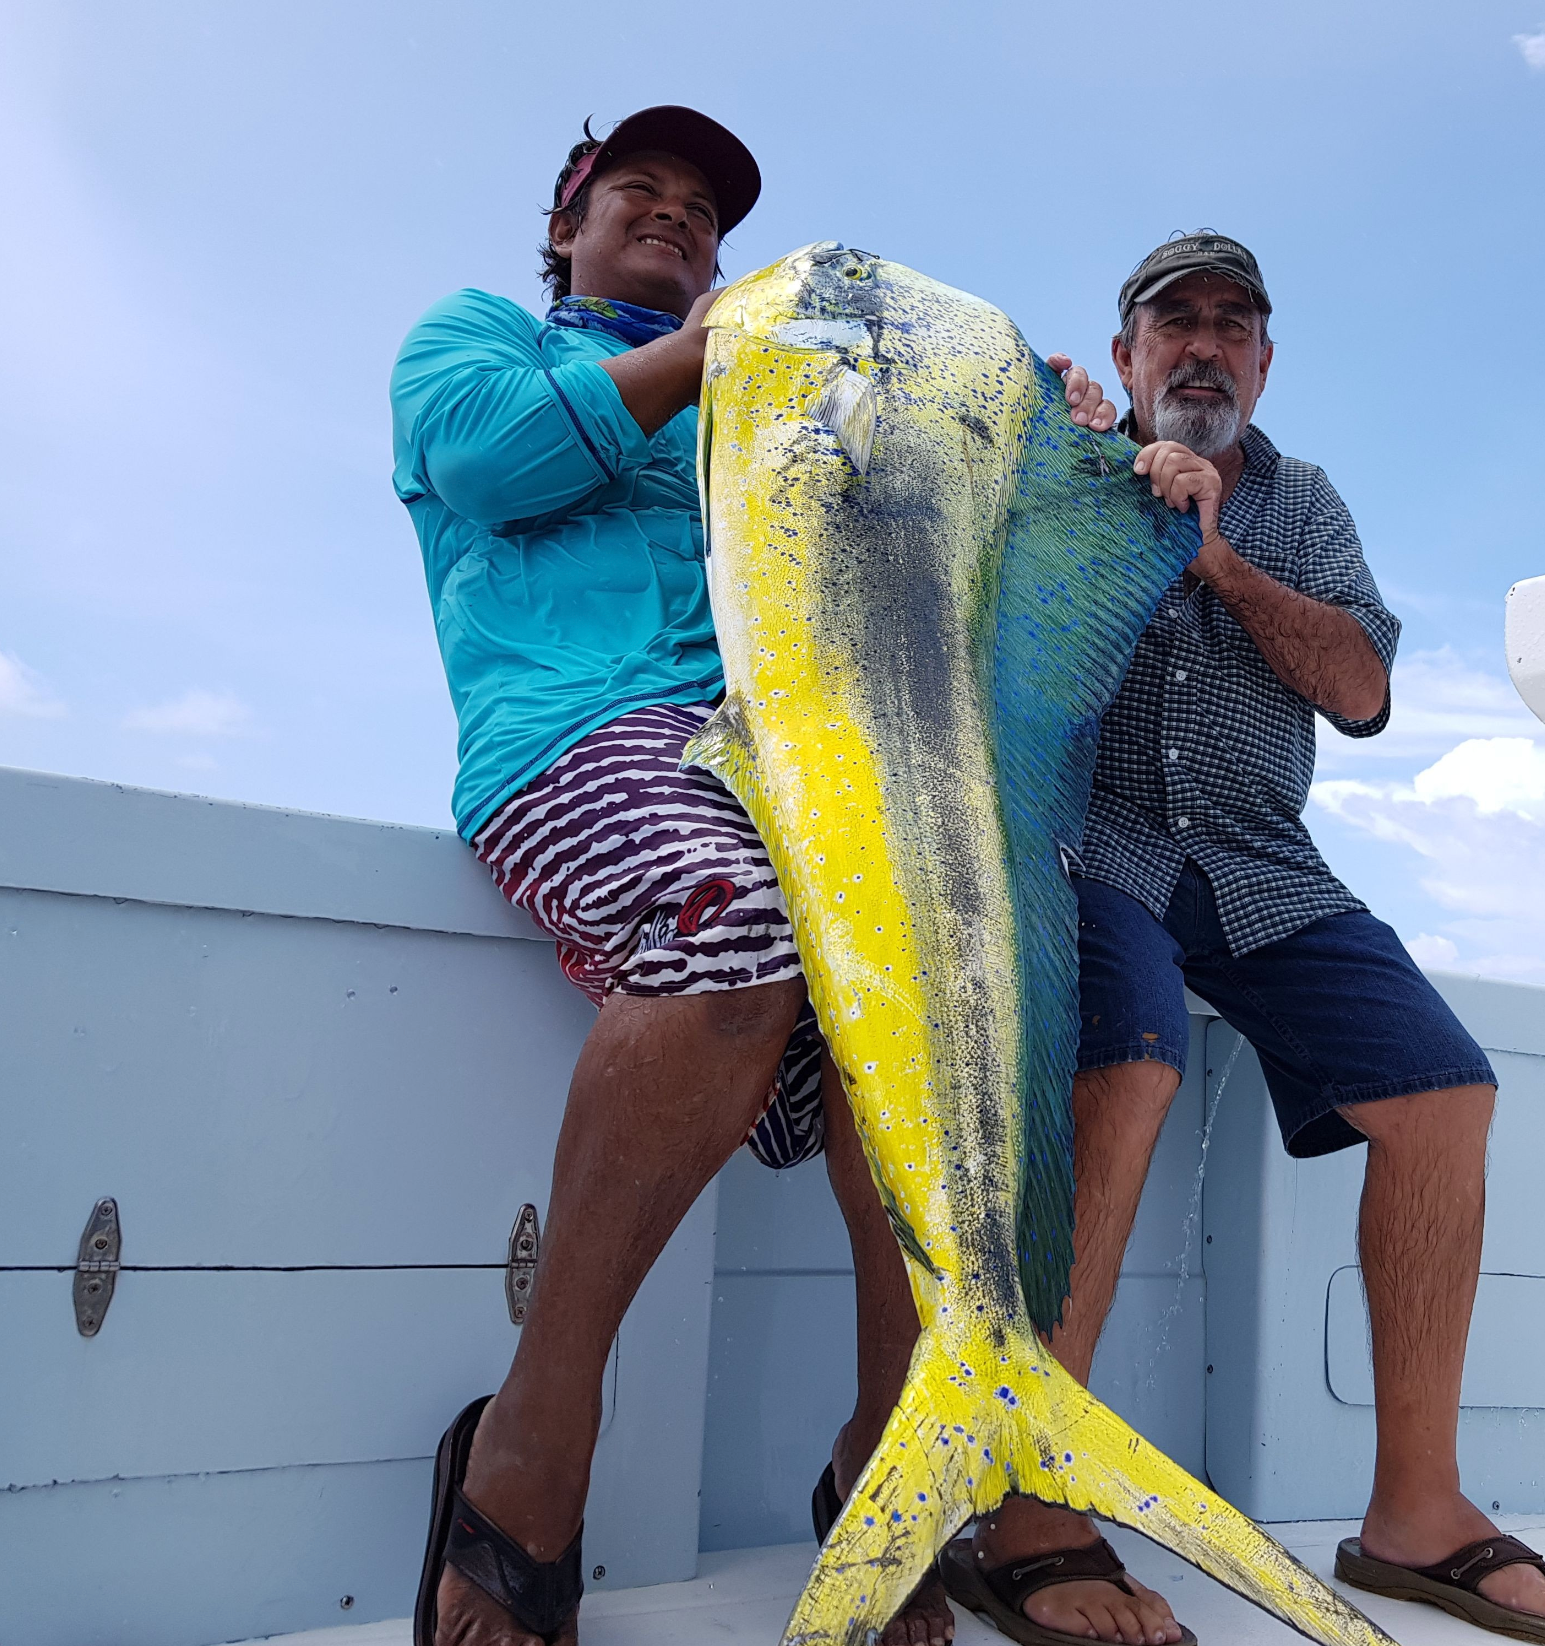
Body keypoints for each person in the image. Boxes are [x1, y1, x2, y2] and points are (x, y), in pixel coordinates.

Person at [392, 105, 1116, 1646]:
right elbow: (492, 464)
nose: (674, 213)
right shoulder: (476, 339)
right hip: (577, 735)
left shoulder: (783, 394)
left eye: (702, 209)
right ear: (566, 228)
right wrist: (710, 348)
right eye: (636, 191)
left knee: (911, 1019)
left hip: (783, 760)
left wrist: (1038, 438)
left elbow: (924, 556)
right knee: (735, 932)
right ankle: (534, 1436)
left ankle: (879, 1459)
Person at [834, 231, 1545, 1646]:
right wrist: (1073, 471)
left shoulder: (1304, 502)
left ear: (1263, 360)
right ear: (1123, 354)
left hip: (1261, 864)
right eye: (1171, 322)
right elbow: (957, 619)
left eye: (1230, 325)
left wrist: (1214, 562)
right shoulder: (1055, 460)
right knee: (1130, 1058)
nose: (1202, 345)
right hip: (1091, 842)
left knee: (1446, 1091)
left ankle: (1414, 1511)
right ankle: (1027, 1503)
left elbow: (1361, 690)